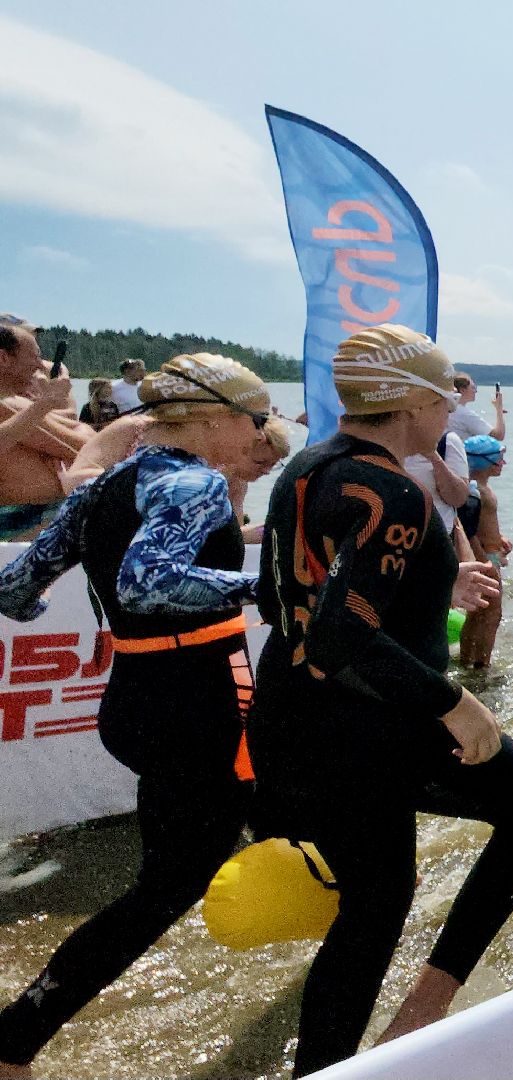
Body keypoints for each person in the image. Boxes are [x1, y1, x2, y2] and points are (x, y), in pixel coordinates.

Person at [249, 324, 513, 1076]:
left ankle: (332, 1062)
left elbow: (282, 595)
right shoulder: (395, 490)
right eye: (444, 392)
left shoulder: (302, 470)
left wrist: (429, 587)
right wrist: (456, 704)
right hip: (369, 724)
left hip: (291, 719)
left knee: (374, 909)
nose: (451, 406)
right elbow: (341, 636)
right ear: (411, 399)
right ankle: (417, 1020)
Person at [0, 355, 270, 1074]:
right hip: (195, 706)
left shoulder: (110, 484)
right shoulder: (198, 482)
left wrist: (45, 605)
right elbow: (149, 582)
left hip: (135, 703)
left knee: (257, 811)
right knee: (164, 892)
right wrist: (268, 588)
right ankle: (15, 1038)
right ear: (212, 419)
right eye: (254, 419)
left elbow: (16, 585)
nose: (262, 435)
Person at [0, 315, 88, 541]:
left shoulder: (17, 406)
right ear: (3, 358)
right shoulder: (10, 407)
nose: (41, 365)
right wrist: (46, 403)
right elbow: (79, 445)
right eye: (35, 356)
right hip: (16, 525)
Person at [459, 435, 510, 669]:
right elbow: (468, 530)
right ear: (486, 461)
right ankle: (481, 665)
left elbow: (482, 524)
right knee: (492, 613)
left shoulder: (479, 487)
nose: (503, 463)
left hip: (489, 555)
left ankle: (467, 660)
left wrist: (499, 540)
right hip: (483, 558)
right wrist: (484, 562)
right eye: (500, 459)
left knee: (478, 612)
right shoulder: (474, 490)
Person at [224, 415, 293, 543]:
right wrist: (274, 528)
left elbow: (236, 534)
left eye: (272, 465)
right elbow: (224, 540)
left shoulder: (240, 480)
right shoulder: (216, 479)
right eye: (260, 463)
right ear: (241, 449)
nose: (266, 471)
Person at [447, 373, 506, 442]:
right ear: (463, 390)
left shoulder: (446, 408)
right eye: (473, 387)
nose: (476, 391)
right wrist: (499, 409)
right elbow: (498, 435)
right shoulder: (465, 414)